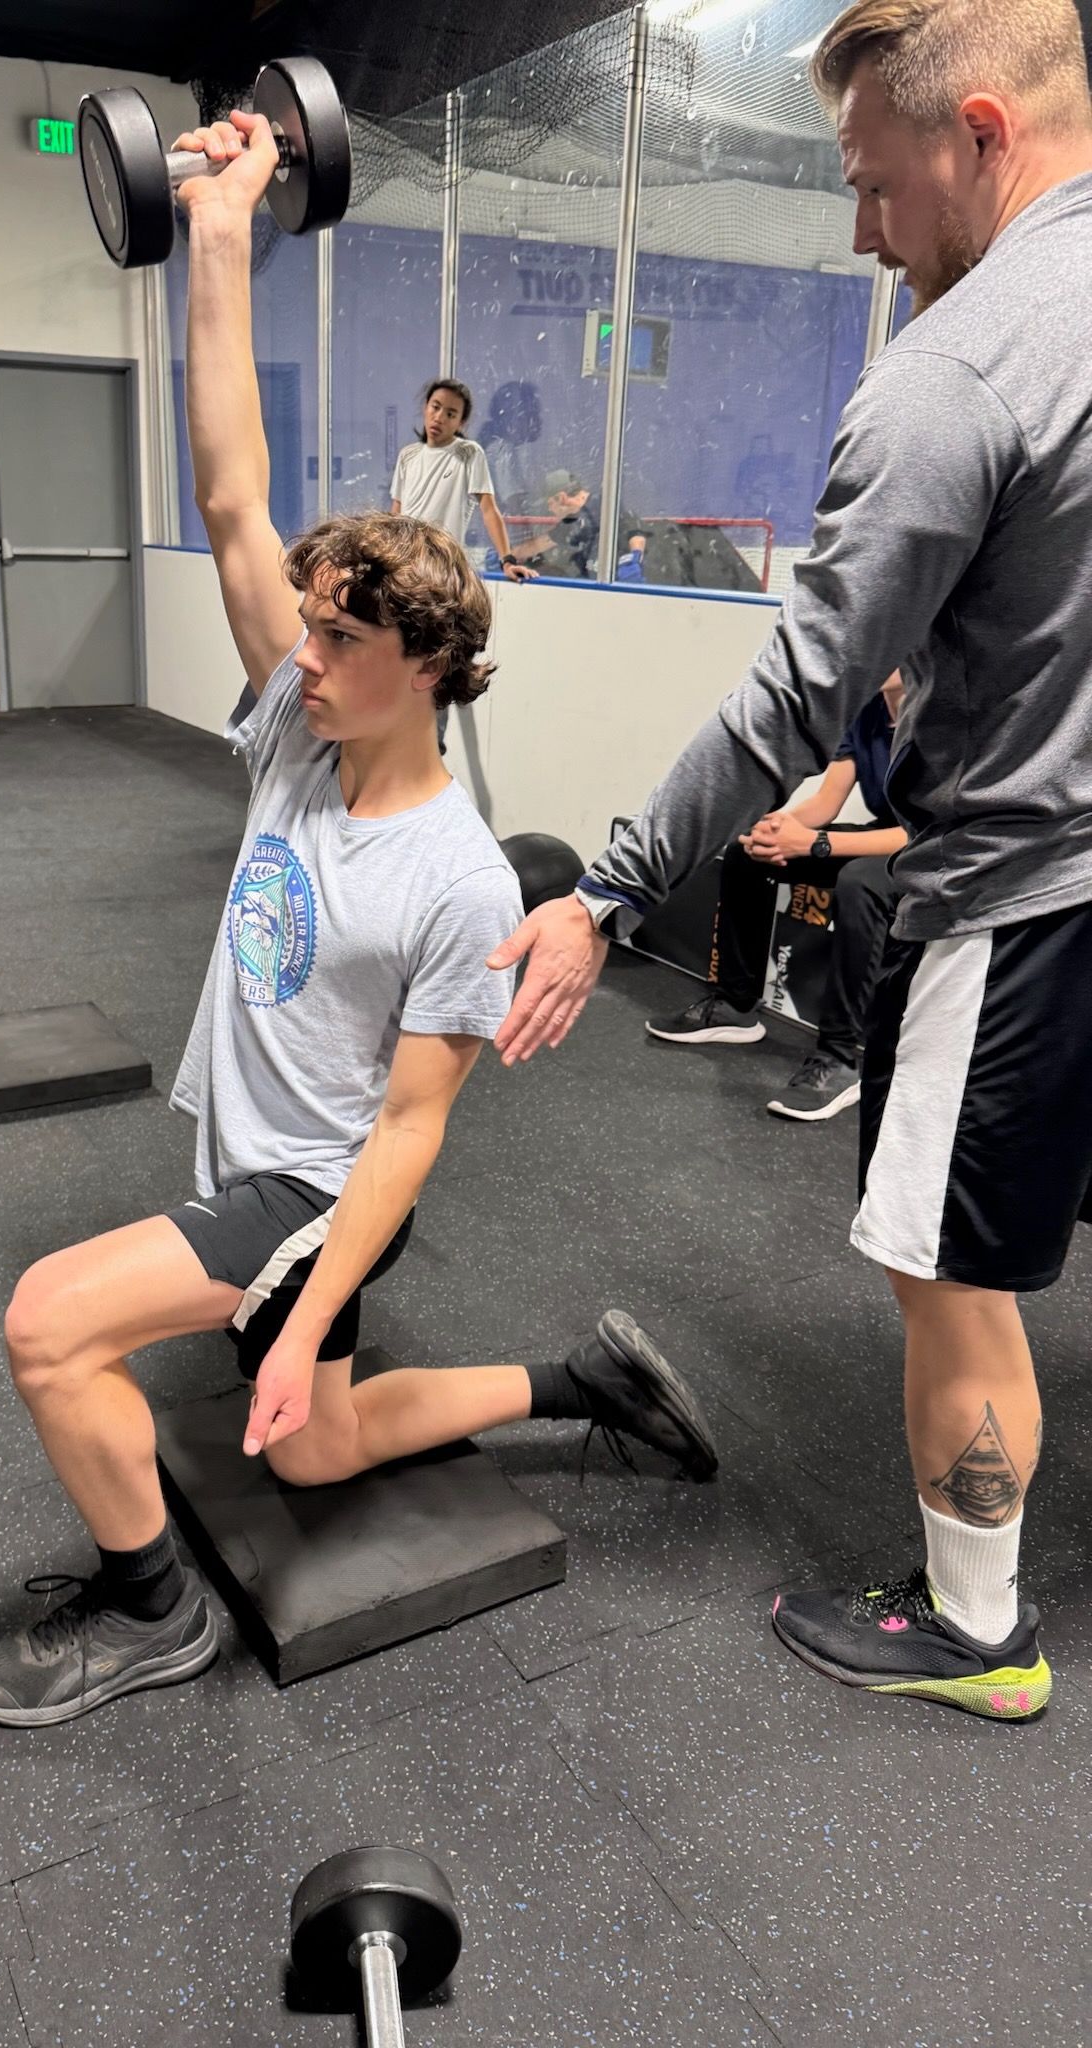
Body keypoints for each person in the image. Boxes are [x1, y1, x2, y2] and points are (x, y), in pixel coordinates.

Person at [0, 109, 717, 1731]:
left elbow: (409, 1138)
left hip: (310, 1190)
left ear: (424, 666)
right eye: (305, 627)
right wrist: (221, 222)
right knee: (312, 1440)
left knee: (46, 1326)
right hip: (263, 1164)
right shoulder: (299, 737)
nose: (303, 656)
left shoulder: (455, 876)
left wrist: (301, 1303)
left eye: (338, 639)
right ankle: (581, 1385)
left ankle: (149, 1606)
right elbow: (235, 487)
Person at [488, 0, 1092, 1722]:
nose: (858, 231)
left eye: (874, 187)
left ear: (977, 131)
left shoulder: (959, 367)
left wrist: (606, 898)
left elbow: (791, 699)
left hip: (1031, 901)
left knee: (952, 1271)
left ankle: (978, 1626)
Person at [647, 674, 907, 1121]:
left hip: (928, 850)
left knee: (860, 883)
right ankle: (736, 1005)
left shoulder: (938, 713)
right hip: (880, 835)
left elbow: (918, 832)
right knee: (750, 854)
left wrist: (815, 844)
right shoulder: (867, 709)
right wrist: (776, 829)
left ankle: (839, 1058)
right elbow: (827, 801)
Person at [390, 380, 536, 585]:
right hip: (405, 569)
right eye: (435, 407)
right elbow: (397, 511)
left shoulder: (469, 453)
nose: (439, 417)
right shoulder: (407, 455)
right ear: (426, 407)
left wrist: (508, 561)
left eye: (450, 414)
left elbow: (489, 510)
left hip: (442, 573)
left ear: (461, 422)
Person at [513, 471, 599, 580]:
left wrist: (507, 557)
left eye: (550, 504)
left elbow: (536, 546)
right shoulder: (603, 502)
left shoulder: (576, 521)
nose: (549, 509)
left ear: (561, 498)